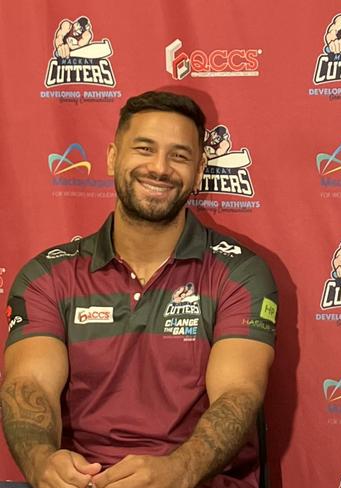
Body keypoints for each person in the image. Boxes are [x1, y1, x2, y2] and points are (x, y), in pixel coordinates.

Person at [1, 91, 278, 488]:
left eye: (179, 156)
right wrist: (41, 461)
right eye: (144, 149)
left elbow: (239, 394)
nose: (159, 168)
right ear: (113, 157)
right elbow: (29, 386)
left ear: (199, 170)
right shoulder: (48, 275)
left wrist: (181, 470)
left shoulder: (240, 273)